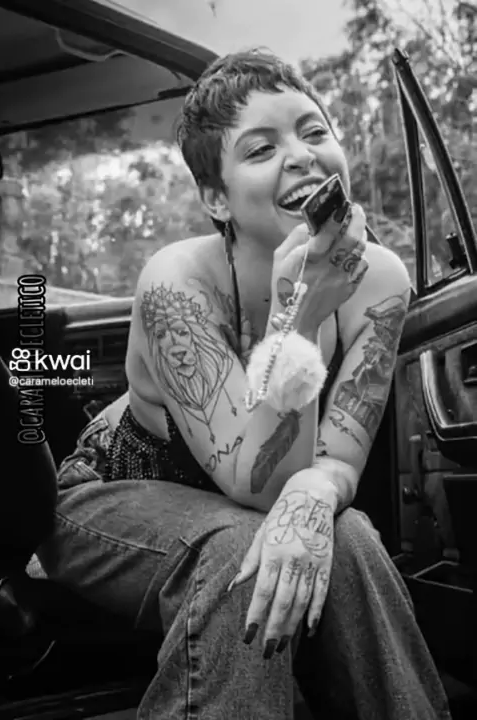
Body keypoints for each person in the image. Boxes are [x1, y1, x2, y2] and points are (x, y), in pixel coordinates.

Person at [37, 49, 452, 720]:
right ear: (216, 198)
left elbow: (336, 461)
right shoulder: (175, 283)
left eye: (314, 132)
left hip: (238, 502)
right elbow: (254, 487)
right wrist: (300, 315)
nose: (301, 156)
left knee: (348, 535)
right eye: (262, 149)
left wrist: (318, 491)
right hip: (106, 495)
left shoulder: (380, 280)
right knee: (241, 551)